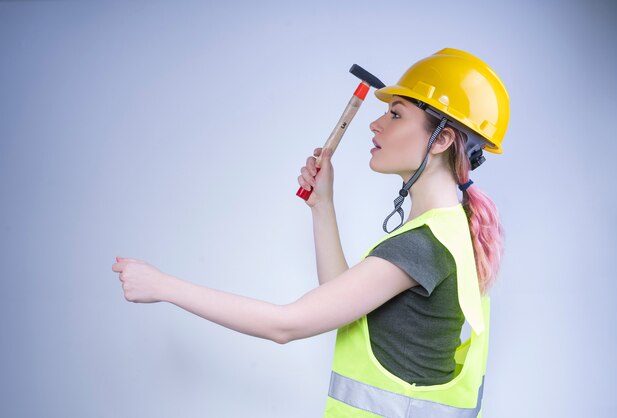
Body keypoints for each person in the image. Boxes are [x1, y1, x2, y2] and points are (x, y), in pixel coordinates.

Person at [112, 47, 509, 417]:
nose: (375, 122)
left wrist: (163, 286)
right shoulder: (448, 228)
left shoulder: (422, 245)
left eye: (396, 114)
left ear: (441, 139)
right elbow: (342, 304)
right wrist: (323, 205)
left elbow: (285, 325)